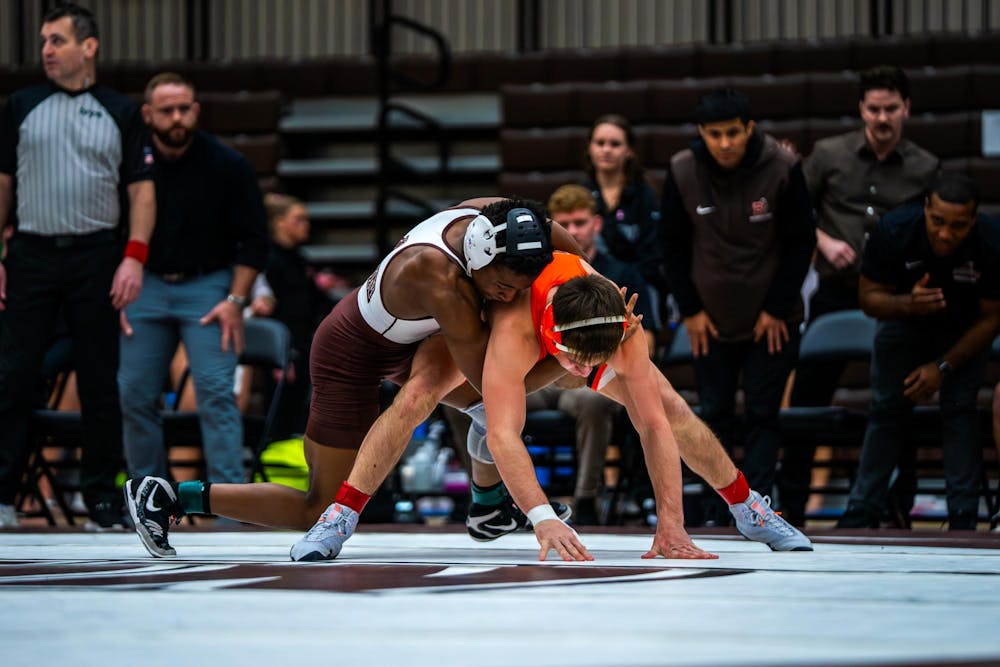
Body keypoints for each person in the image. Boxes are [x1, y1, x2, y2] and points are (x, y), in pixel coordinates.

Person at [124, 197, 578, 556]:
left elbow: (565, 251)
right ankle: (170, 496)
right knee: (316, 504)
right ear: (479, 257)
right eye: (503, 287)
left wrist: (585, 287)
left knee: (480, 409)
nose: (509, 297)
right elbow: (493, 383)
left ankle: (489, 507)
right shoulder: (440, 277)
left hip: (409, 338)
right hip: (351, 355)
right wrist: (562, 361)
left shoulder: (504, 222)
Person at [0, 3, 155, 530]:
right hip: (31, 253)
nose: (46, 49)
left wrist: (133, 257)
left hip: (96, 255)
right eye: (44, 40)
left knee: (99, 380)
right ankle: (3, 494)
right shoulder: (21, 105)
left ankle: (101, 499)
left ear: (88, 47)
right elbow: (2, 183)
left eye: (58, 40)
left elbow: (142, 191)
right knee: (15, 375)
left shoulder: (120, 110)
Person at [780, 66, 940, 525]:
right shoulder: (830, 154)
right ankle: (790, 504)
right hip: (835, 291)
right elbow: (794, 212)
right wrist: (824, 242)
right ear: (861, 109)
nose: (882, 118)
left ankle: (898, 502)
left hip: (895, 299)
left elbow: (936, 231)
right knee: (807, 395)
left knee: (896, 397)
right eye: (874, 109)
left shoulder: (925, 166)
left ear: (906, 109)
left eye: (891, 109)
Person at [660, 88, 816, 525]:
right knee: (714, 414)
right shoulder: (682, 169)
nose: (725, 143)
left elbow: (800, 241)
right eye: (715, 134)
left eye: (733, 132)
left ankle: (760, 512)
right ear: (701, 133)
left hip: (772, 321)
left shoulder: (783, 167)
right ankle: (719, 511)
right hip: (708, 321)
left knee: (763, 415)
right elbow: (670, 245)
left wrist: (778, 307)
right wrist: (690, 310)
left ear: (750, 128)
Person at [117, 73, 268, 486]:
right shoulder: (130, 164)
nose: (177, 118)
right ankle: (146, 498)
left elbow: (255, 240)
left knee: (217, 392)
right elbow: (111, 232)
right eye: (166, 110)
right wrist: (119, 290)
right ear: (148, 114)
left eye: (184, 108)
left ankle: (229, 504)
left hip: (208, 286)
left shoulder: (228, 164)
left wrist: (236, 301)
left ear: (196, 110)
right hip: (146, 284)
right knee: (133, 393)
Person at [837, 172, 1000, 530]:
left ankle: (963, 518)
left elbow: (992, 318)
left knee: (959, 410)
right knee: (886, 410)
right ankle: (861, 512)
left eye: (958, 225)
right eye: (938, 221)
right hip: (904, 321)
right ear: (925, 207)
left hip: (966, 331)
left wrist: (942, 367)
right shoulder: (895, 229)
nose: (945, 234)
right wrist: (907, 304)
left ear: (974, 219)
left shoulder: (991, 240)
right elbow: (868, 299)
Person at [528, 184, 657, 524]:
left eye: (580, 222)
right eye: (565, 224)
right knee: (476, 395)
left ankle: (587, 499)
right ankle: (494, 497)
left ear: (597, 224)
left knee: (594, 401)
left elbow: (646, 340)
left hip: (590, 375)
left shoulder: (622, 273)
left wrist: (602, 348)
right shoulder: (533, 271)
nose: (573, 231)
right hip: (540, 373)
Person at [260, 193, 335, 440]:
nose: (306, 225)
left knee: (298, 411)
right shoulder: (270, 259)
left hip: (303, 344)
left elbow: (318, 302)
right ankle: (272, 458)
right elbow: (272, 313)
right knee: (280, 414)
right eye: (299, 219)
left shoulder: (299, 259)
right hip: (283, 349)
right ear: (279, 222)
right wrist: (281, 356)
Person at [582, 114, 666, 323]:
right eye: (600, 143)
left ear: (629, 151)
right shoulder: (581, 193)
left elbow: (653, 255)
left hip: (637, 289)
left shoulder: (645, 195)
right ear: (590, 148)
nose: (606, 149)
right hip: (589, 291)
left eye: (615, 144)